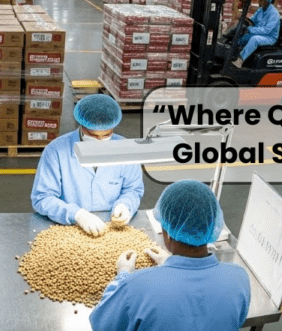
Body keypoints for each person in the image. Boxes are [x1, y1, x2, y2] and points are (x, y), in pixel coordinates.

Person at [89, 180, 251, 331]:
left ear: (166, 233)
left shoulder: (135, 288)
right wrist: (172, 265)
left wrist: (123, 276)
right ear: (212, 224)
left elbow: (100, 324)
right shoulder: (239, 279)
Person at [31, 95, 143, 237]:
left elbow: (133, 190)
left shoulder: (126, 149)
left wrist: (125, 205)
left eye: (107, 135)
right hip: (69, 229)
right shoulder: (56, 151)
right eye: (94, 136)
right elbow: (42, 198)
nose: (101, 141)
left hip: (111, 230)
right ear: (82, 126)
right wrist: (77, 215)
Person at [232, 0, 280, 69]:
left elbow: (267, 30)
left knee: (255, 39)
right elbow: (252, 20)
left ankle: (240, 61)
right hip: (259, 33)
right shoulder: (260, 10)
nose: (258, 1)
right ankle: (233, 55)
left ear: (265, 0)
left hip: (269, 37)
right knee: (243, 36)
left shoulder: (273, 13)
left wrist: (252, 30)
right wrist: (245, 23)